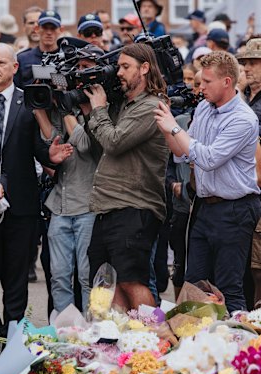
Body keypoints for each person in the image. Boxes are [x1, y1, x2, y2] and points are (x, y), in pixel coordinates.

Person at [0, 43, 74, 363]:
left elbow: (40, 149)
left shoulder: (29, 103)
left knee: (15, 278)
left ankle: (13, 339)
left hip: (21, 205)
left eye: (1, 62)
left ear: (15, 67)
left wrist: (50, 156)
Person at [154, 51, 261, 313]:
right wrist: (167, 128)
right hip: (204, 205)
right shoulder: (203, 107)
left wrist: (175, 129)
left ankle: (239, 348)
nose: (201, 89)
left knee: (228, 285)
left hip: (235, 207)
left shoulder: (244, 118)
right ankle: (193, 349)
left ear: (227, 82)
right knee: (194, 285)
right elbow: (181, 153)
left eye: (207, 82)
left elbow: (209, 158)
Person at [85, 43, 169, 311]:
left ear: (144, 68)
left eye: (125, 67)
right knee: (107, 283)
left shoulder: (152, 106)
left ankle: (155, 341)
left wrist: (98, 110)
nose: (118, 72)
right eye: (118, 66)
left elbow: (114, 142)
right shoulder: (124, 106)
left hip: (135, 207)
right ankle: (123, 343)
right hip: (108, 205)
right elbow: (100, 142)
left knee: (132, 281)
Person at [35, 45, 102, 318]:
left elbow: (85, 145)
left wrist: (65, 108)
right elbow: (52, 142)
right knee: (59, 278)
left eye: (86, 68)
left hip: (87, 205)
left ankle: (90, 336)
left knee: (87, 279)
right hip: (59, 206)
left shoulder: (97, 109)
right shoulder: (59, 110)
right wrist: (39, 107)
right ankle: (64, 336)